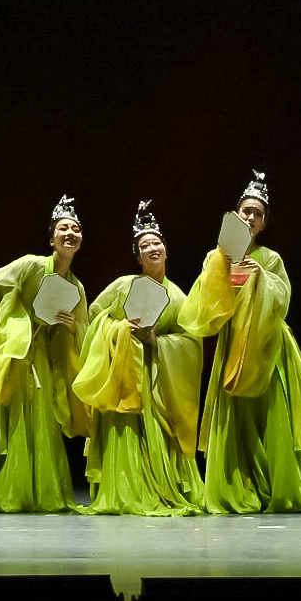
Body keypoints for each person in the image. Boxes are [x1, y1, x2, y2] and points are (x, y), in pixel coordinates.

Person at [183, 173, 301, 514]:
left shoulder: (270, 259)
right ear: (235, 216)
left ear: (264, 223)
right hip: (233, 344)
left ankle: (280, 483)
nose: (251, 217)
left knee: (273, 414)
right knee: (236, 414)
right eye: (246, 211)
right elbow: (203, 306)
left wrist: (260, 277)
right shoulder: (216, 257)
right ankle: (239, 485)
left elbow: (282, 300)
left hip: (269, 347)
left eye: (258, 213)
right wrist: (222, 269)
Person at [0, 198, 93, 513]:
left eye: (75, 229)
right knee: (9, 416)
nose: (70, 233)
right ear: (51, 239)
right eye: (63, 228)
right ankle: (1, 487)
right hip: (13, 349)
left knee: (38, 417)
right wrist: (17, 320)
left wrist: (71, 328)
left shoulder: (76, 287)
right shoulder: (31, 265)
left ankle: (31, 488)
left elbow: (84, 330)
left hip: (41, 354)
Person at [72, 201, 203, 516]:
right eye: (145, 246)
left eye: (157, 243)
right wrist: (118, 329)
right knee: (125, 430)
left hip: (158, 378)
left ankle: (161, 488)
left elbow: (191, 341)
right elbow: (94, 318)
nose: (152, 248)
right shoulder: (122, 286)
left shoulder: (178, 296)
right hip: (125, 373)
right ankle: (125, 487)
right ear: (138, 257)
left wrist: (159, 342)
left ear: (166, 251)